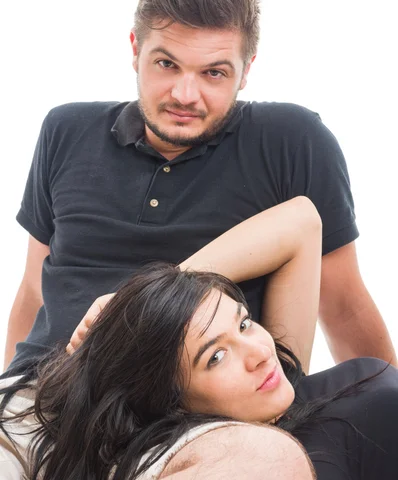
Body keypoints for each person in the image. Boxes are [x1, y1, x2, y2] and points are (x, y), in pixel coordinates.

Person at [3, 0, 396, 378]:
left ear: (246, 70)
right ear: (135, 51)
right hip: (47, 392)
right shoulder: (65, 129)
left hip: (191, 407)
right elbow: (34, 289)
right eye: (167, 64)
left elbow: (341, 303)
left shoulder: (293, 141)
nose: (185, 95)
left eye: (214, 73)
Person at [0, 198, 397, 479]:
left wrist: (157, 296)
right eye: (215, 357)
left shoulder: (280, 385)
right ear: (171, 403)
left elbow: (303, 221)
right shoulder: (229, 456)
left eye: (243, 324)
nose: (260, 351)